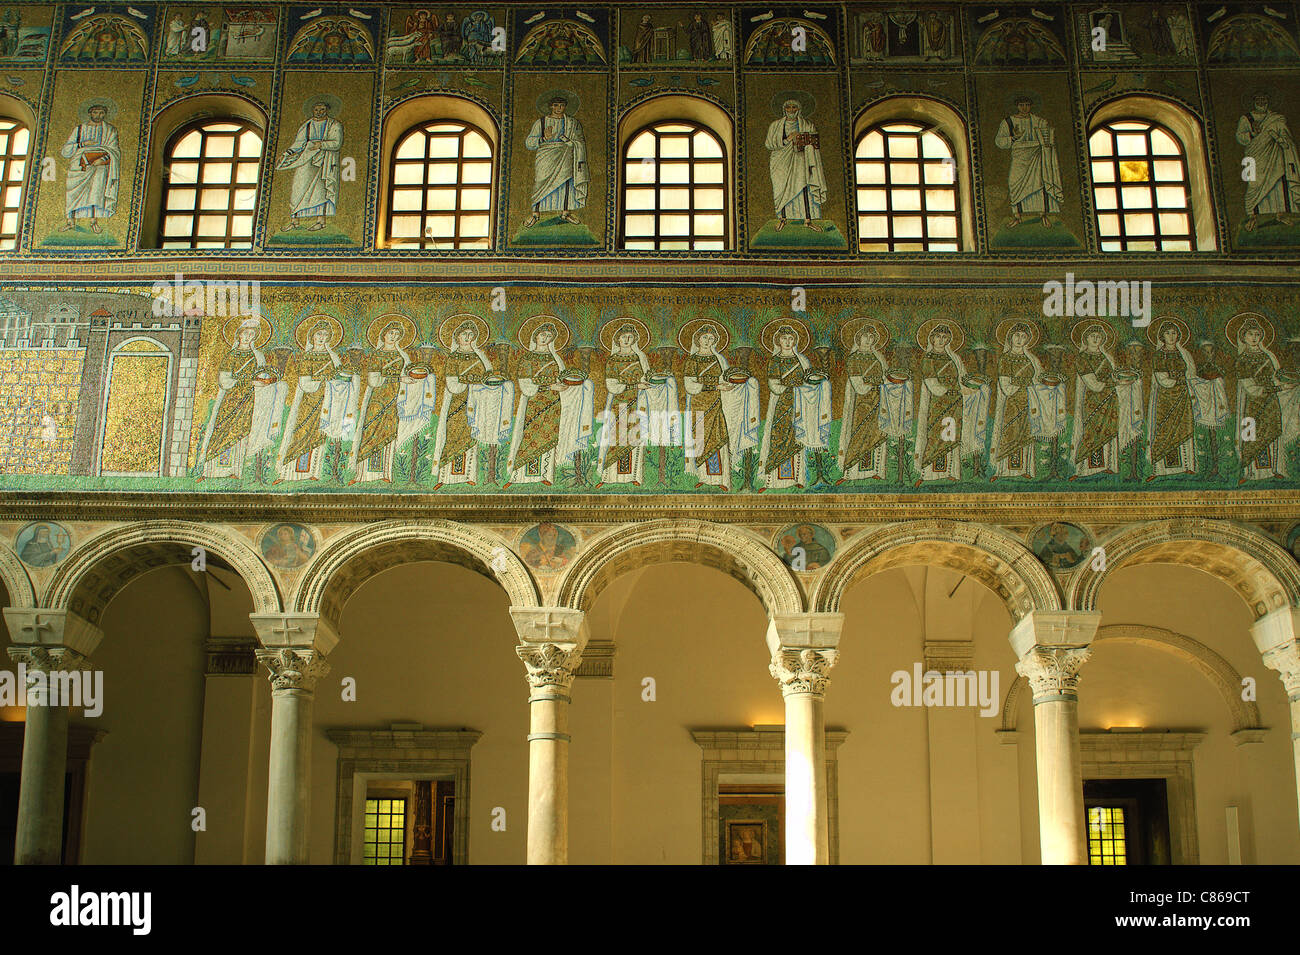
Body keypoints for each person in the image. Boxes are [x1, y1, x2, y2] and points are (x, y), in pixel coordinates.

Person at [994, 96, 1063, 227]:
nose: (1024, 108)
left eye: (1027, 105)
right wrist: (1014, 137)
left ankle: (1043, 215)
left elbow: (1047, 136)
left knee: (1039, 183)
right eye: (1021, 105)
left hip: (1036, 155)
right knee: (1014, 183)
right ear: (1017, 106)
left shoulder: (1039, 121)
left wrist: (1047, 140)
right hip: (1019, 157)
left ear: (1030, 106)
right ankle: (1017, 217)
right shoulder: (1008, 122)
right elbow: (999, 141)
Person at [276, 99, 343, 232]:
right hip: (306, 160)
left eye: (322, 110)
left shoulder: (334, 125)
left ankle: (321, 221)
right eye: (317, 110)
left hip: (324, 161)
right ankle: (294, 221)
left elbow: (337, 143)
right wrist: (287, 153)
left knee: (320, 190)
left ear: (327, 110)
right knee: (297, 189)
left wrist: (322, 144)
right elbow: (299, 142)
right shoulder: (307, 125)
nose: (319, 112)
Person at [1237, 93, 1300, 232]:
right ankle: (1253, 216)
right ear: (1253, 101)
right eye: (1258, 99)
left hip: (1275, 156)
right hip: (1254, 157)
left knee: (1277, 182)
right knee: (1254, 184)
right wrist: (1252, 133)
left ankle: (1280, 214)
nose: (1261, 101)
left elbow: (1285, 135)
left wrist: (1282, 140)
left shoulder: (1276, 119)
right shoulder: (1246, 118)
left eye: (1264, 99)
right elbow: (1240, 137)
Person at [523, 95, 588, 228]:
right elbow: (529, 142)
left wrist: (571, 143)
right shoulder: (540, 122)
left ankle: (565, 212)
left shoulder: (572, 123)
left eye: (562, 105)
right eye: (556, 105)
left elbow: (580, 141)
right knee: (540, 183)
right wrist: (543, 138)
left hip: (565, 155)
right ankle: (535, 214)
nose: (559, 108)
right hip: (546, 156)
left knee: (566, 183)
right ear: (551, 106)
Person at [765, 98, 827, 232]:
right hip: (781, 162)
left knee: (804, 186)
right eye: (788, 107)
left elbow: (814, 141)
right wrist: (789, 139)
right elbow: (769, 144)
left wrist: (803, 139)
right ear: (784, 109)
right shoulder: (775, 126)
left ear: (799, 110)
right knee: (781, 188)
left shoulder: (807, 125)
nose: (791, 110)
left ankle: (808, 220)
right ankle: (783, 219)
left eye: (794, 107)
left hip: (802, 160)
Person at [60, 103, 120, 234]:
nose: (98, 115)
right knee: (73, 191)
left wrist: (102, 160)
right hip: (79, 164)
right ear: (90, 113)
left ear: (105, 114)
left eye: (101, 113)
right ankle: (71, 221)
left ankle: (93, 222)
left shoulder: (110, 130)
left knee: (96, 192)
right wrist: (82, 144)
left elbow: (114, 150)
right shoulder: (80, 129)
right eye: (95, 112)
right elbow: (65, 150)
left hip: (100, 165)